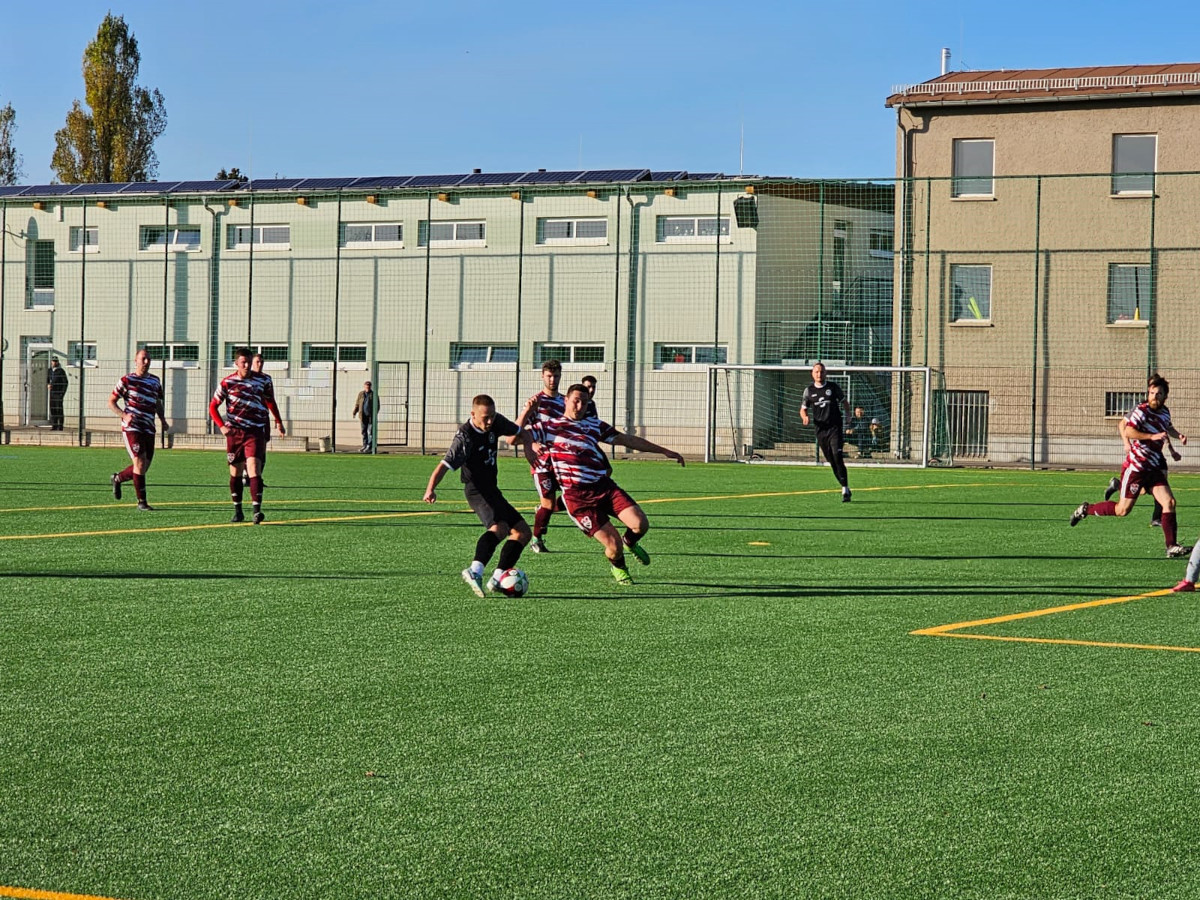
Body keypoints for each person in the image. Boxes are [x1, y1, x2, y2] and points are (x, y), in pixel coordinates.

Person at [523, 383, 684, 585]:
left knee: (640, 524)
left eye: (584, 402)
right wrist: (528, 416)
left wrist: (664, 451)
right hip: (577, 498)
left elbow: (626, 440)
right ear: (566, 400)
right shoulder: (549, 427)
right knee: (613, 546)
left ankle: (630, 542)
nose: (580, 406)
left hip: (604, 488)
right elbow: (514, 437)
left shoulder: (594, 425)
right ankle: (620, 567)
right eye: (576, 401)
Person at [1070, 373, 1189, 558]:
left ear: (1165, 396)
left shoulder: (1165, 412)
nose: (1154, 397)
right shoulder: (1141, 411)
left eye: (1158, 394)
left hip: (1154, 467)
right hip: (1137, 468)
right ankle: (1086, 509)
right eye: (1151, 393)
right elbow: (1128, 430)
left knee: (1169, 502)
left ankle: (1171, 546)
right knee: (1122, 510)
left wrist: (1178, 435)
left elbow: (1168, 428)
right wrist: (1150, 437)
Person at [424, 394, 532, 597]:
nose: (490, 422)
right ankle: (474, 571)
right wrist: (431, 489)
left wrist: (530, 447)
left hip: (492, 489)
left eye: (492, 416)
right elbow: (444, 465)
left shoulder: (496, 421)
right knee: (499, 528)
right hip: (476, 490)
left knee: (523, 532)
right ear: (472, 414)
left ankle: (498, 578)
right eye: (485, 418)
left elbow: (521, 433)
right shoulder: (464, 438)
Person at [209, 347, 285, 524]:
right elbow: (213, 406)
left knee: (254, 469)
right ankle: (238, 510)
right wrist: (221, 426)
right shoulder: (227, 383)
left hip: (255, 431)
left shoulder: (263, 380)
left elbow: (270, 401)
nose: (247, 365)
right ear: (236, 363)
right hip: (235, 433)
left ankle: (257, 511)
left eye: (249, 362)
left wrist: (278, 421)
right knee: (235, 472)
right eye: (244, 362)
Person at [108, 349, 170, 511]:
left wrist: (162, 420)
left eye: (148, 359)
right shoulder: (127, 380)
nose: (146, 362)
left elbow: (157, 403)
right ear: (135, 361)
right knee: (140, 463)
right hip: (132, 427)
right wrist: (124, 415)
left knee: (143, 466)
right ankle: (142, 502)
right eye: (143, 359)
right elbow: (112, 402)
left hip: (149, 427)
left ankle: (118, 478)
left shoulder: (155, 381)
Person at [513, 359, 564, 553]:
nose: (553, 380)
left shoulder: (566, 401)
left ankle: (541, 512)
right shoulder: (536, 402)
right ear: (542, 376)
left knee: (575, 495)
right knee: (549, 503)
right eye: (549, 376)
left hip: (563, 460)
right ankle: (537, 538)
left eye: (556, 376)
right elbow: (516, 433)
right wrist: (532, 442)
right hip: (542, 462)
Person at [1104, 378, 1166, 527]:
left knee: (1157, 485)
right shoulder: (1140, 409)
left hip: (1156, 454)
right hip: (1141, 455)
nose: (1155, 394)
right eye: (1152, 391)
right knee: (1143, 491)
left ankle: (1157, 517)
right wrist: (1126, 442)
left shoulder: (1162, 411)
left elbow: (1164, 429)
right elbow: (1123, 425)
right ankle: (1118, 486)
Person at [799, 361, 852, 501]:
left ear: (825, 373)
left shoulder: (833, 387)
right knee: (831, 460)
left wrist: (848, 414)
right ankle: (844, 485)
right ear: (812, 374)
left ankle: (845, 489)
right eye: (816, 372)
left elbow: (844, 402)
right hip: (820, 430)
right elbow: (803, 408)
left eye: (821, 371)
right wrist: (805, 417)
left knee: (837, 455)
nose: (819, 374)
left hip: (835, 427)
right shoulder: (809, 391)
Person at [243, 352, 285, 488]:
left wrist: (278, 420)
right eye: (257, 362)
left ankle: (256, 478)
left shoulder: (266, 379)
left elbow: (271, 401)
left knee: (262, 448)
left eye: (261, 362)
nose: (259, 364)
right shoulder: (244, 378)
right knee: (246, 448)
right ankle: (245, 475)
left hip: (262, 419)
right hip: (246, 420)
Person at [352, 380, 377, 453]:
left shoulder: (373, 394)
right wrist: (355, 412)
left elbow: (377, 405)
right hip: (362, 416)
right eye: (366, 386)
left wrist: (374, 414)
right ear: (364, 386)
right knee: (364, 432)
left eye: (369, 386)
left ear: (370, 387)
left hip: (370, 417)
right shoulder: (361, 394)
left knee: (370, 432)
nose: (367, 387)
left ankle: (369, 446)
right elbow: (357, 404)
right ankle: (365, 445)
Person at [48, 358, 68, 431]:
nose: (53, 363)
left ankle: (60, 425)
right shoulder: (50, 370)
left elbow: (65, 382)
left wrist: (62, 393)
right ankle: (54, 425)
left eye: (55, 361)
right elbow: (48, 379)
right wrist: (48, 384)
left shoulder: (61, 371)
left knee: (59, 409)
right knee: (53, 409)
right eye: (52, 361)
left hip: (58, 393)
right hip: (52, 393)